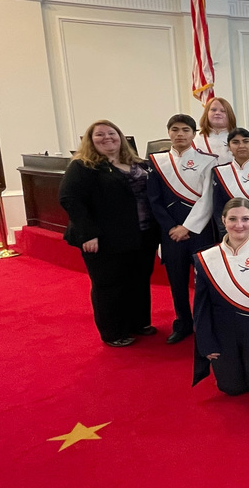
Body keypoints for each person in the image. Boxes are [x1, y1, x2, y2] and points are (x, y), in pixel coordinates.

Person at [59, 119, 159, 347]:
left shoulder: (138, 164)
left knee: (139, 280)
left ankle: (138, 322)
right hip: (104, 238)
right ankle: (113, 332)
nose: (107, 138)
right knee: (109, 285)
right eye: (100, 135)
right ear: (90, 140)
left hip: (142, 235)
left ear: (121, 137)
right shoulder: (83, 166)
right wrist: (88, 234)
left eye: (112, 133)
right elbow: (69, 199)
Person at [191, 198, 249, 396]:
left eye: (245, 219)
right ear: (223, 220)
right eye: (232, 219)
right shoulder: (205, 257)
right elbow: (201, 307)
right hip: (223, 330)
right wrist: (206, 342)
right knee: (231, 388)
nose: (239, 225)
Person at [148, 113, 218, 344]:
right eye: (175, 129)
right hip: (171, 234)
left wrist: (187, 227)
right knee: (177, 282)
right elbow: (154, 200)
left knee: (204, 281)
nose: (180, 134)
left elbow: (208, 198)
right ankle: (183, 323)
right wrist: (171, 228)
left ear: (194, 134)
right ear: (168, 132)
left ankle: (206, 323)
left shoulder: (208, 161)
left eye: (186, 130)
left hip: (200, 231)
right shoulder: (157, 161)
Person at [204, 127, 249, 240]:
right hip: (231, 231)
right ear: (229, 146)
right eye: (235, 142)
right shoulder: (219, 172)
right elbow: (218, 208)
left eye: (245, 141)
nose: (241, 146)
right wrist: (227, 233)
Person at [193, 97, 236, 165]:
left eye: (223, 111)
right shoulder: (194, 138)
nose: (217, 113)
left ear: (230, 115)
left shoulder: (239, 138)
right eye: (213, 110)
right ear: (206, 113)